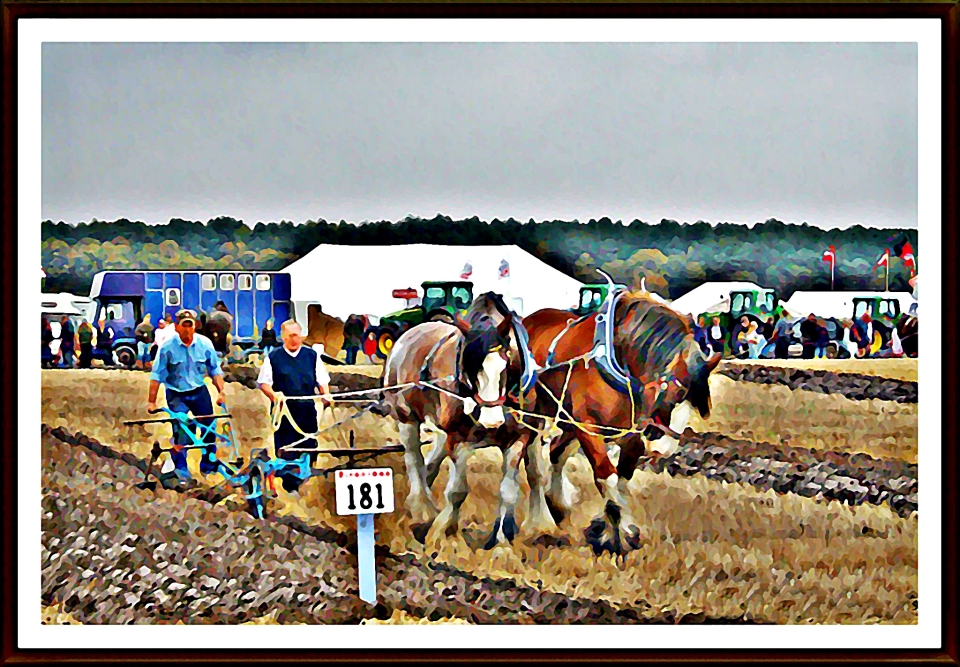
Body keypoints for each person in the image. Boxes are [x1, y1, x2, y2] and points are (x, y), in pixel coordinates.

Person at [147, 309, 226, 487]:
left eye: (190, 326)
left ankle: (208, 463)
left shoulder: (205, 344)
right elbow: (156, 376)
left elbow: (214, 370)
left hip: (199, 391)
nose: (187, 330)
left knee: (209, 427)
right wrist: (151, 401)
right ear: (176, 327)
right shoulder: (167, 347)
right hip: (177, 394)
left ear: (195, 326)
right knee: (181, 428)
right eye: (184, 326)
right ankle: (181, 469)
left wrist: (221, 392)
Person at [257, 320, 331, 494]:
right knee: (287, 449)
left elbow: (322, 380)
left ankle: (307, 483)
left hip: (306, 410)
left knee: (309, 446)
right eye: (290, 336)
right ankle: (290, 488)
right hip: (284, 412)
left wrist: (325, 394)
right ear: (283, 337)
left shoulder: (311, 356)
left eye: (296, 335)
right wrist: (274, 396)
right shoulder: (273, 357)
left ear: (302, 336)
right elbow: (264, 383)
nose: (293, 339)